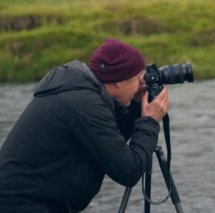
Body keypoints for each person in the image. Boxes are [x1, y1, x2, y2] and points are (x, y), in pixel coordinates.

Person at [0, 38, 169, 212]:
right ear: (119, 81)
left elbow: (111, 143)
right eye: (139, 78)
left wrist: (136, 106)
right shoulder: (85, 105)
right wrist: (149, 120)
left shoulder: (81, 93)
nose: (143, 84)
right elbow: (129, 171)